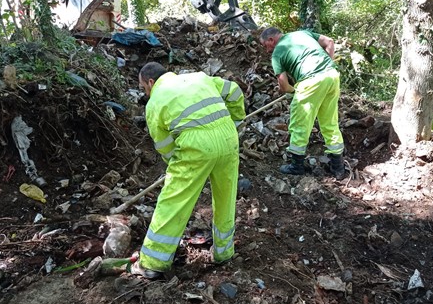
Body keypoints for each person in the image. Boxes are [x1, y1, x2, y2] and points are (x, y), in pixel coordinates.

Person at [135, 62, 246, 278]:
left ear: (150, 82)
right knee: (226, 196)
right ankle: (224, 252)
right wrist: (236, 121)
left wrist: (177, 167)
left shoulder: (155, 102)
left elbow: (164, 145)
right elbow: (234, 91)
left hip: (195, 146)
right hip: (228, 137)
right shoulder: (199, 77)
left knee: (173, 201)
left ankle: (153, 263)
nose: (145, 93)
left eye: (143, 88)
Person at [259, 27, 346, 179]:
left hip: (310, 82)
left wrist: (293, 93)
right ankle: (338, 167)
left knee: (299, 124)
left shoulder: (278, 52)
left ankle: (297, 166)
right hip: (331, 76)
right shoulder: (302, 33)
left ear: (271, 40)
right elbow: (329, 42)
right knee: (329, 122)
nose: (266, 50)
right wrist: (326, 65)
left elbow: (284, 85)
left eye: (265, 45)